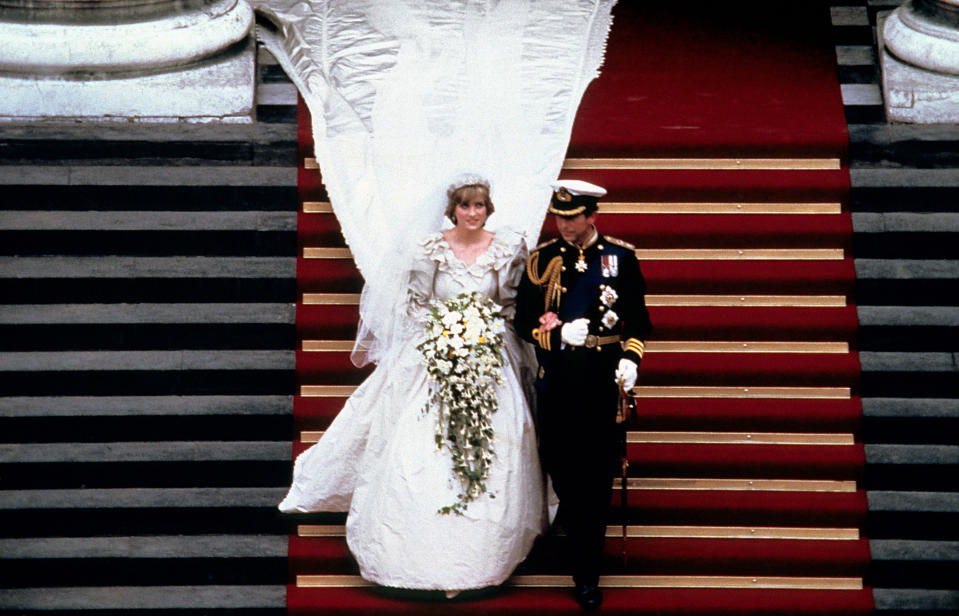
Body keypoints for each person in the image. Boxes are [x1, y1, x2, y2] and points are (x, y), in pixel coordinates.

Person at [279, 175, 548, 593]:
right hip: (435, 354)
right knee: (422, 450)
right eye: (465, 206)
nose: (472, 214)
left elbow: (510, 306)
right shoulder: (429, 249)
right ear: (452, 209)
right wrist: (445, 334)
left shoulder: (508, 247)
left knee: (494, 448)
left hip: (490, 357)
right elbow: (417, 305)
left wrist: (483, 334)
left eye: (479, 206)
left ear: (488, 208)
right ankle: (419, 552)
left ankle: (478, 558)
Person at [514, 179, 652, 610]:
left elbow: (639, 323)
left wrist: (631, 360)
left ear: (592, 215)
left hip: (601, 383)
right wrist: (557, 340)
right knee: (563, 472)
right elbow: (522, 323)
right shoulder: (542, 261)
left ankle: (586, 572)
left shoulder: (620, 258)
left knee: (596, 480)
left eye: (573, 218)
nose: (565, 225)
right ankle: (578, 539)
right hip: (558, 383)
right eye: (559, 217)